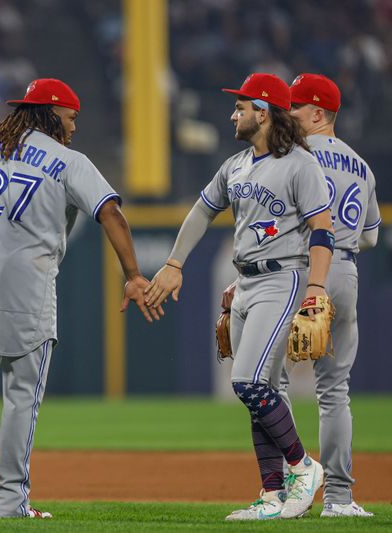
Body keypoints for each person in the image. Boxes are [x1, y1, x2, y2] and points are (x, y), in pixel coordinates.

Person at [0, 79, 162, 519]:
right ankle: (10, 501)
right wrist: (132, 274)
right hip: (28, 291)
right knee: (21, 397)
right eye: (72, 117)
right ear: (52, 114)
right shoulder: (67, 160)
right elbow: (110, 211)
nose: (74, 128)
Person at [144, 73, 333, 521]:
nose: (233, 114)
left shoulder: (300, 164)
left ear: (263, 112)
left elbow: (323, 229)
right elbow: (201, 212)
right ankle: (271, 496)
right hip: (244, 281)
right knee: (258, 391)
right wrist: (174, 264)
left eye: (240, 107)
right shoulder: (236, 165)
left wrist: (316, 290)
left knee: (246, 383)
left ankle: (304, 467)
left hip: (281, 279)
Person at [287, 74, 379, 517]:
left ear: (318, 113)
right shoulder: (363, 165)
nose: (287, 114)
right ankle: (339, 499)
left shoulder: (292, 155)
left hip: (300, 268)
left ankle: (286, 489)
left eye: (295, 107)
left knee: (268, 381)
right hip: (345, 268)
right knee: (334, 391)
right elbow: (373, 237)